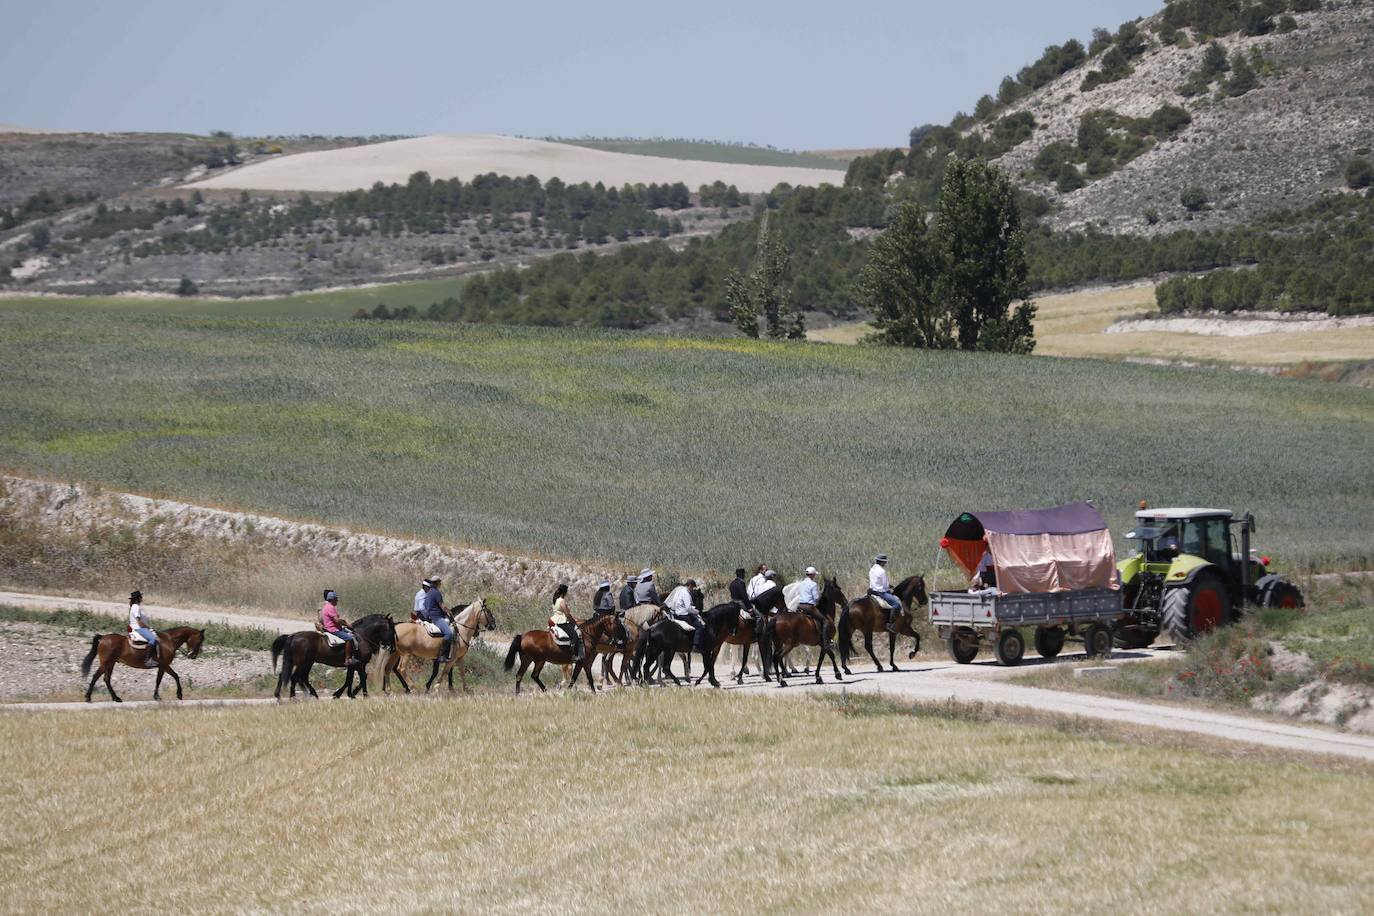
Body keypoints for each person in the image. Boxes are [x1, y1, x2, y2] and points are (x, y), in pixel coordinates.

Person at [319, 589, 359, 668]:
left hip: (331, 627)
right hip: (333, 629)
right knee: (349, 638)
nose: (337, 600)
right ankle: (348, 659)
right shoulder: (330, 607)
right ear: (332, 599)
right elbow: (337, 620)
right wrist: (347, 624)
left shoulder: (327, 606)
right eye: (336, 599)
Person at [420, 575, 454, 662]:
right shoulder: (436, 593)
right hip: (437, 618)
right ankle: (442, 655)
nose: (440, 584)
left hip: (429, 616)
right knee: (449, 634)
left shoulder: (429, 592)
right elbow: (442, 606)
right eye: (440, 583)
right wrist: (449, 612)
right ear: (438, 583)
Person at [548, 583, 584, 664]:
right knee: (576, 635)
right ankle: (574, 655)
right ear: (565, 592)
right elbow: (567, 614)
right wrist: (574, 621)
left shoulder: (555, 599)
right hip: (562, 621)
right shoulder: (562, 601)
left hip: (555, 620)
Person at [665, 578, 706, 647]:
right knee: (699, 626)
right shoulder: (686, 594)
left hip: (676, 613)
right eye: (692, 587)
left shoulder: (680, 590)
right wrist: (697, 611)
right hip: (683, 615)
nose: (692, 589)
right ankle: (696, 645)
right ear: (690, 585)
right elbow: (688, 608)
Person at [868, 554, 902, 634]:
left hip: (872, 591)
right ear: (882, 562)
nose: (885, 564)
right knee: (896, 604)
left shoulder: (872, 569)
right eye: (885, 562)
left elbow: (876, 581)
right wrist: (889, 588)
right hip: (880, 592)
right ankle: (890, 624)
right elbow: (885, 585)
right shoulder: (882, 571)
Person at [795, 567, 829, 641]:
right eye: (814, 575)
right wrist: (819, 594)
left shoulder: (801, 583)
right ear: (812, 575)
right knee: (825, 621)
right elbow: (816, 598)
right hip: (809, 607)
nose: (815, 576)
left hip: (799, 606)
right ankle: (825, 641)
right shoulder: (813, 584)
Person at [127, 590, 158, 668]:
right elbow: (139, 621)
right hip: (139, 628)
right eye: (141, 597)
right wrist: (148, 628)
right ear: (138, 598)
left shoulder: (136, 607)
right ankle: (148, 660)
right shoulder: (136, 607)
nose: (142, 598)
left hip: (139, 627)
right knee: (153, 639)